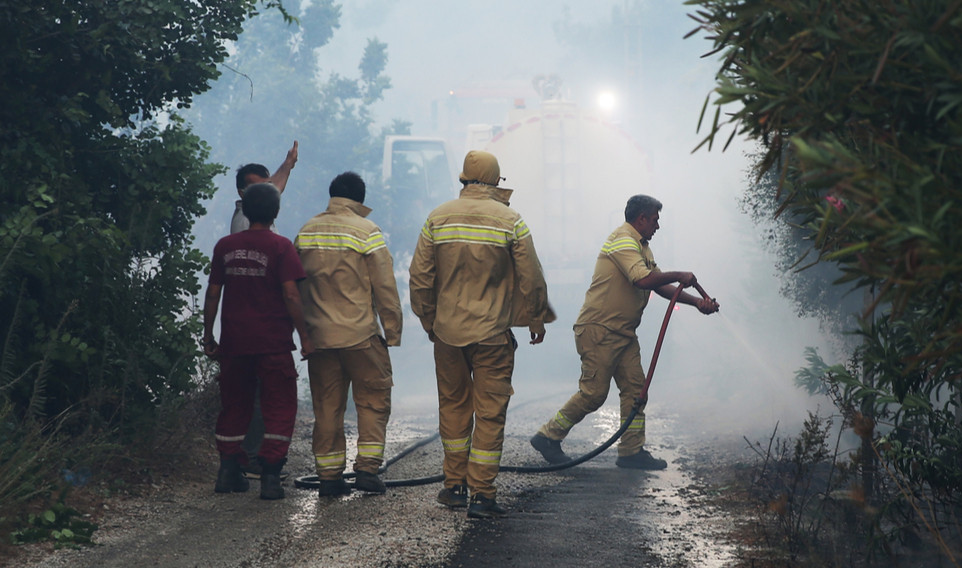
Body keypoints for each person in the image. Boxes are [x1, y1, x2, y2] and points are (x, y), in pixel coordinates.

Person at [409, 150, 553, 519]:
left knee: (454, 409)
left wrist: (429, 321)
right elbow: (531, 277)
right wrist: (536, 318)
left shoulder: (436, 218)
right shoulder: (511, 221)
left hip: (447, 334)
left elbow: (420, 278)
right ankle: (483, 495)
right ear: (495, 181)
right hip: (492, 335)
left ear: (463, 179)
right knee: (489, 413)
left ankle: (454, 486)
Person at [529, 194, 720, 471]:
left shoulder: (641, 246)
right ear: (640, 219)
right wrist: (680, 275)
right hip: (600, 330)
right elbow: (642, 279)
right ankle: (548, 436)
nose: (657, 226)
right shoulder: (623, 240)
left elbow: (657, 285)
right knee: (594, 393)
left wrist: (696, 303)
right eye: (655, 220)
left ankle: (631, 451)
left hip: (622, 333)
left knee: (635, 390)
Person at [201, 182, 315, 500]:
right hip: (273, 344)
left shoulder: (225, 246)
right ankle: (270, 478)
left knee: (234, 405)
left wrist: (209, 335)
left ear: (245, 210)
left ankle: (228, 472)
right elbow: (291, 294)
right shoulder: (281, 248)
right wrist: (305, 337)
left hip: (234, 344)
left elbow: (213, 293)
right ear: (276, 212)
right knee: (278, 405)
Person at [294, 172, 403, 497]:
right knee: (372, 400)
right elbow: (385, 286)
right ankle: (367, 471)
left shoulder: (306, 231)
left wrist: (301, 332)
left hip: (320, 338)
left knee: (327, 407)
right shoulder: (367, 232)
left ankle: (329, 477)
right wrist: (392, 331)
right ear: (360, 199)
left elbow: (294, 287)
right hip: (361, 335)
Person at [229, 140, 298, 472]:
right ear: (243, 193)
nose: (269, 193)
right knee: (260, 397)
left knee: (253, 395)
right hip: (262, 328)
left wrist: (288, 165)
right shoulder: (247, 227)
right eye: (261, 188)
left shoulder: (252, 219)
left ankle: (244, 460)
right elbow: (289, 290)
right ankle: (257, 458)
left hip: (244, 329)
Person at [231, 140, 299, 234]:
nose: (265, 192)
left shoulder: (259, 209)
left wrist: (289, 162)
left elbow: (275, 187)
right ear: (241, 193)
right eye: (258, 189)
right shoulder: (244, 222)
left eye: (266, 185)